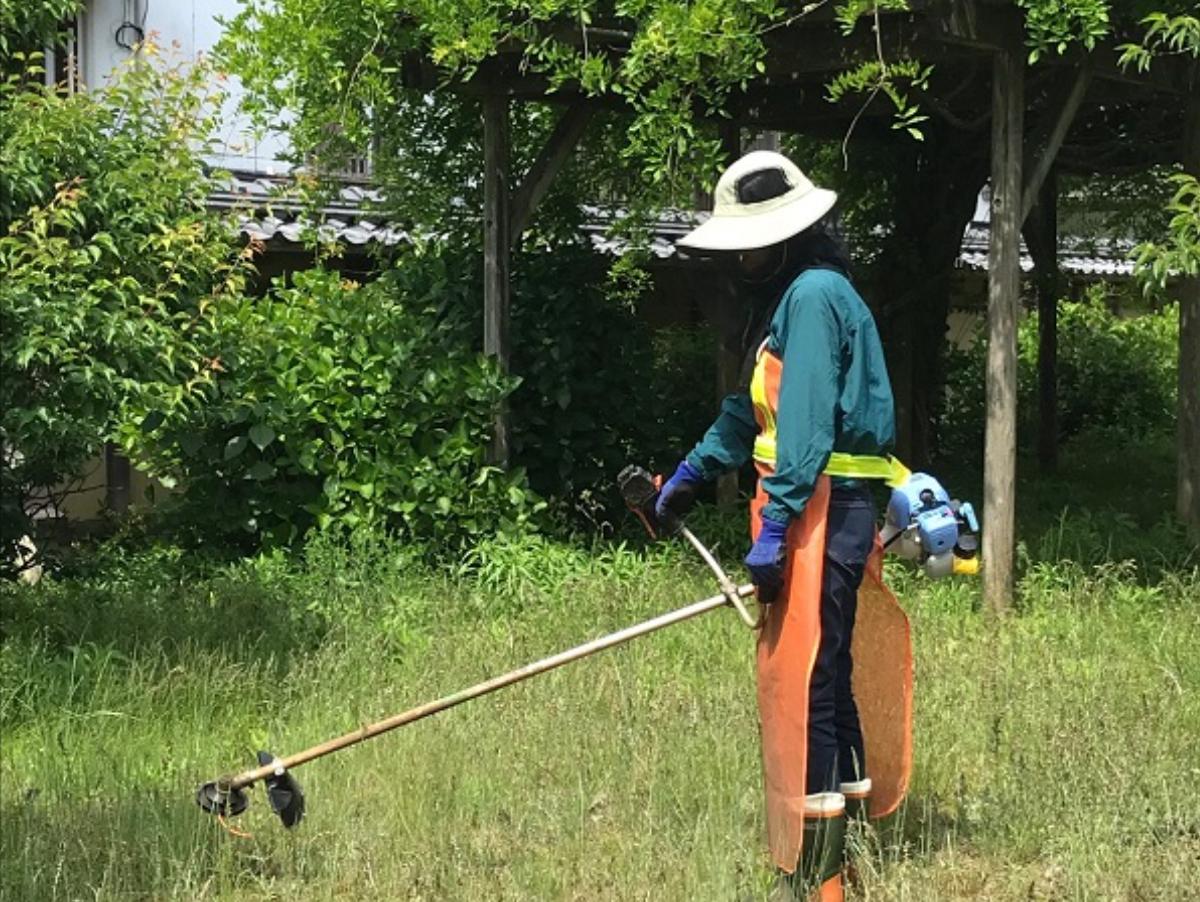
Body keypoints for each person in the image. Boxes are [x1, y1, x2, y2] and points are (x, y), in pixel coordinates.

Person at [657, 151, 913, 901]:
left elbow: (802, 425)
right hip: (820, 510)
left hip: (820, 511)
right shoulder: (794, 298)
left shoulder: (812, 296)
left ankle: (820, 878)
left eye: (748, 239)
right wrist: (691, 476)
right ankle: (853, 856)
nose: (739, 255)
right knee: (828, 677)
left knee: (804, 684)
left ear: (785, 232)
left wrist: (777, 529)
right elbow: (750, 412)